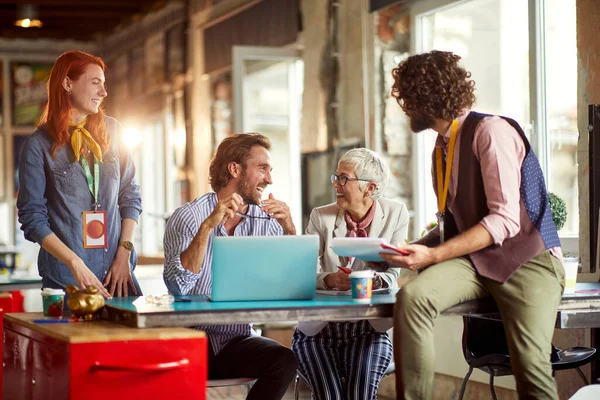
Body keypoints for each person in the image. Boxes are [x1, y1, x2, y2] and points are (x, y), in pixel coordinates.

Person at [384, 50, 565, 399]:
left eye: (406, 98)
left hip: (529, 261)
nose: (404, 107)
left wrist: (433, 257)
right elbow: (452, 224)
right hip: (478, 262)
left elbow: (504, 220)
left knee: (530, 367)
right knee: (412, 297)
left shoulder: (491, 131)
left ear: (424, 97)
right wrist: (412, 249)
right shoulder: (441, 149)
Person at [163, 132, 298, 400]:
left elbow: (290, 283)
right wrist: (207, 228)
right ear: (235, 169)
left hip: (237, 340)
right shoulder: (190, 216)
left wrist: (290, 230)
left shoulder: (268, 221)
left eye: (270, 171)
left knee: (285, 361)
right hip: (190, 341)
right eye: (262, 169)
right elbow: (178, 287)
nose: (269, 179)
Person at [17, 50, 143, 299]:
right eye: (95, 82)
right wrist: (75, 264)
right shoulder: (38, 145)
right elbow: (32, 218)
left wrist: (124, 253)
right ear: (67, 83)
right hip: (67, 283)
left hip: (118, 276)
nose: (103, 92)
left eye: (104, 84)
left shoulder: (113, 131)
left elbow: (131, 196)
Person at [292, 148, 409, 400]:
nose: (336, 184)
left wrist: (373, 279)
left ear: (370, 188)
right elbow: (303, 273)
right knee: (330, 396)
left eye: (344, 178)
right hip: (318, 331)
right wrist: (329, 280)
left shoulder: (396, 213)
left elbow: (392, 275)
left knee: (360, 394)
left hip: (369, 330)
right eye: (336, 177)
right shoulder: (320, 216)